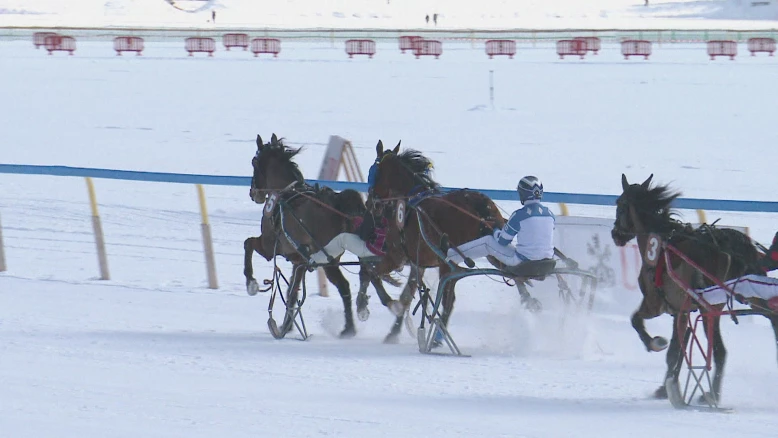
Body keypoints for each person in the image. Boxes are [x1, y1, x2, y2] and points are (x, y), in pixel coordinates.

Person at [445, 176, 555, 268]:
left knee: (487, 241)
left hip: (523, 262)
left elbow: (502, 241)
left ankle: (450, 255)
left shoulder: (519, 215)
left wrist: (496, 230)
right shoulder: (550, 214)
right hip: (548, 261)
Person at [306, 205, 389, 266]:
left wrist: (360, 224)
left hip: (371, 250)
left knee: (342, 239)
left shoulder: (373, 211)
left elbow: (364, 236)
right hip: (387, 249)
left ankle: (315, 261)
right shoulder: (390, 210)